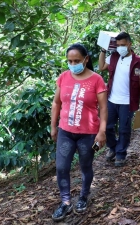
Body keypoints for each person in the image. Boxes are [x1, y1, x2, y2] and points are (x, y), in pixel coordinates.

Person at [50, 43, 107, 221]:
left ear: (86, 59)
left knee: (85, 166)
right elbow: (56, 103)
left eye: (76, 60)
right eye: (69, 61)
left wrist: (102, 132)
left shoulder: (97, 79)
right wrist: (53, 126)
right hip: (65, 131)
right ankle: (65, 202)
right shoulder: (63, 77)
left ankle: (83, 196)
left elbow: (104, 108)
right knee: (61, 167)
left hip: (88, 134)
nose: (72, 64)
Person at [98, 32, 140, 167]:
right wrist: (103, 50)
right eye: (118, 45)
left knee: (124, 129)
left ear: (129, 44)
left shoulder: (139, 62)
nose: (120, 47)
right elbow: (101, 67)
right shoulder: (114, 57)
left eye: (123, 45)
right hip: (112, 99)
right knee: (107, 126)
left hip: (127, 101)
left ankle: (121, 153)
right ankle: (113, 147)